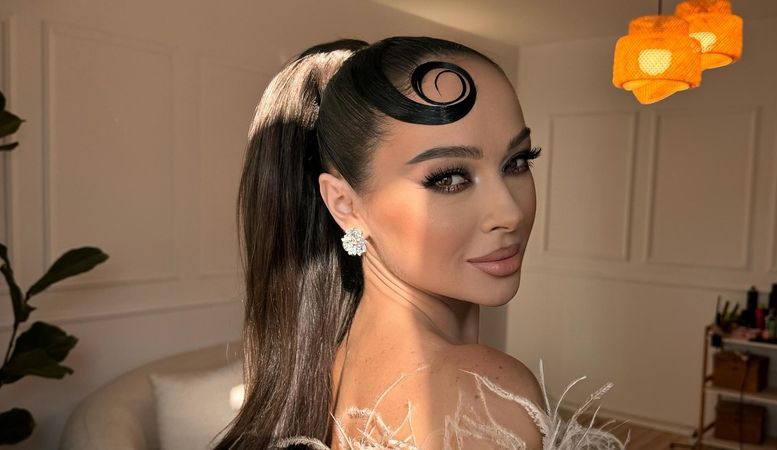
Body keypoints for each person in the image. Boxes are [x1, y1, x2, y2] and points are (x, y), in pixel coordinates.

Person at [212, 36, 628, 450]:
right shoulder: (483, 398)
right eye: (448, 178)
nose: (510, 213)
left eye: (517, 161)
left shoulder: (333, 366)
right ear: (345, 205)